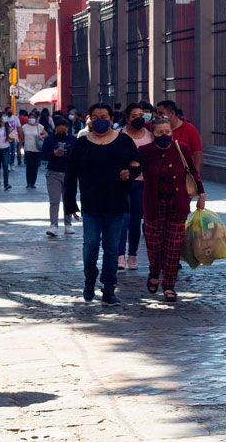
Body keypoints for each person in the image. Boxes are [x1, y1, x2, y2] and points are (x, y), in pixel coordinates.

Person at [64, 103, 139, 305]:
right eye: (96, 116)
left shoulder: (123, 141)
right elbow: (70, 176)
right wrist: (70, 204)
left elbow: (137, 163)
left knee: (112, 248)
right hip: (91, 204)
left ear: (111, 119)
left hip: (116, 203)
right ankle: (90, 279)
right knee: (90, 245)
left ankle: (109, 288)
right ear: (89, 119)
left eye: (104, 117)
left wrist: (129, 174)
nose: (100, 120)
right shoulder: (81, 144)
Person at [138, 117, 204, 303]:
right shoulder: (145, 151)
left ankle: (169, 285)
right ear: (153, 134)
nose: (165, 135)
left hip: (177, 204)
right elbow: (135, 169)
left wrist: (201, 194)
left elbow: (193, 171)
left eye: (168, 132)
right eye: (160, 132)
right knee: (155, 245)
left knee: (174, 247)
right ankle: (153, 272)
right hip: (154, 205)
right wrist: (128, 172)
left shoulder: (181, 148)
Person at [118, 102, 153, 270]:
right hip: (123, 183)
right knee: (122, 220)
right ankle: (120, 255)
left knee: (135, 221)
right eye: (134, 116)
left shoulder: (150, 134)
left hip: (142, 182)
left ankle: (132, 256)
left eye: (141, 115)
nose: (139, 118)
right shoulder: (119, 134)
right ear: (127, 118)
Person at [42, 118, 77, 237]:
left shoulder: (73, 140)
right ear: (55, 129)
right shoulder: (49, 139)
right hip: (53, 173)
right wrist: (53, 154)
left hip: (69, 173)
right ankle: (53, 225)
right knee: (54, 200)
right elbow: (43, 155)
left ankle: (68, 224)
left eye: (63, 131)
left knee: (68, 200)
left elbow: (79, 155)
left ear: (67, 129)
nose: (61, 133)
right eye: (59, 131)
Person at [157, 100, 204, 173]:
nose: (158, 117)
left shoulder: (189, 129)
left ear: (171, 113)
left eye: (161, 113)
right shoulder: (155, 128)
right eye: (157, 114)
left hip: (183, 174)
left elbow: (198, 154)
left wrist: (195, 176)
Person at [21, 112, 46, 189]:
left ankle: (33, 182)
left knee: (35, 167)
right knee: (29, 166)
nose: (31, 119)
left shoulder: (39, 126)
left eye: (33, 117)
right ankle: (28, 182)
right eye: (30, 117)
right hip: (28, 149)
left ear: (35, 119)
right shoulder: (24, 127)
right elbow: (22, 138)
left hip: (36, 149)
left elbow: (46, 134)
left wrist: (41, 137)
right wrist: (20, 147)